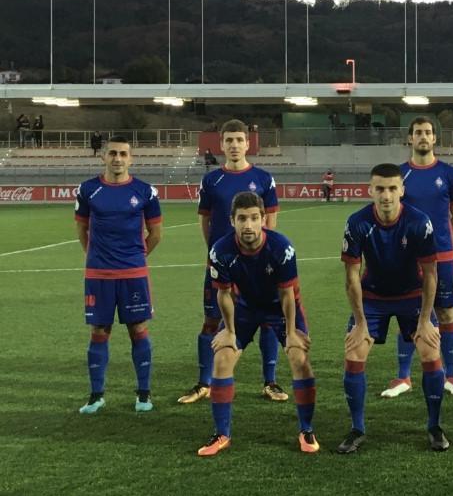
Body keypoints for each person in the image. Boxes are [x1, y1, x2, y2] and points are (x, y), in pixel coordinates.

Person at [197, 191, 319, 456]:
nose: (248, 225)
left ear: (264, 219)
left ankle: (306, 430)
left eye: (254, 218)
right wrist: (229, 331)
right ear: (232, 221)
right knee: (221, 359)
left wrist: (290, 334)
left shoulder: (282, 248)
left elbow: (287, 295)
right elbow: (224, 294)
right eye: (242, 218)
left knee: (300, 359)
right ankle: (222, 434)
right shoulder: (220, 250)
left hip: (281, 308)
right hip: (244, 308)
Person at [339, 163, 449, 453]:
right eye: (379, 188)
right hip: (372, 297)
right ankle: (357, 428)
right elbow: (352, 278)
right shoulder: (357, 222)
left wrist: (425, 320)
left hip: (412, 295)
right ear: (370, 190)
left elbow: (431, 274)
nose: (386, 195)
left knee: (430, 350)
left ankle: (435, 426)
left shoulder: (418, 221)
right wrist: (361, 322)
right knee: (354, 351)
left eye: (391, 188)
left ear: (401, 190)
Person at [179, 119, 286, 405]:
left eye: (239, 140)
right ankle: (204, 383)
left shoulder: (263, 179)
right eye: (229, 140)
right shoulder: (211, 180)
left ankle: (270, 382)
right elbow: (205, 219)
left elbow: (271, 221)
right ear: (222, 144)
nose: (235, 145)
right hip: (222, 264)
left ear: (248, 143)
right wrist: (214, 253)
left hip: (258, 266)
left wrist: (268, 257)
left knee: (266, 322)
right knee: (211, 321)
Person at [74, 136, 163, 414]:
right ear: (103, 157)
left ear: (131, 158)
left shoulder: (145, 191)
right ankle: (96, 395)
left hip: (133, 273)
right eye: (112, 153)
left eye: (123, 154)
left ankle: (144, 394)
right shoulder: (88, 190)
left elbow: (156, 233)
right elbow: (82, 231)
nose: (117, 158)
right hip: (98, 274)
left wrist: (135, 257)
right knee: (99, 330)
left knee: (137, 329)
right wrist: (97, 257)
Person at [383, 117, 453, 397]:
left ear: (434, 139)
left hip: (441, 256)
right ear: (410, 138)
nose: (423, 137)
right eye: (418, 132)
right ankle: (403, 377)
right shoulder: (399, 175)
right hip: (407, 259)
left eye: (428, 133)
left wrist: (434, 243)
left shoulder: (450, 174)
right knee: (408, 313)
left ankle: (451, 376)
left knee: (445, 312)